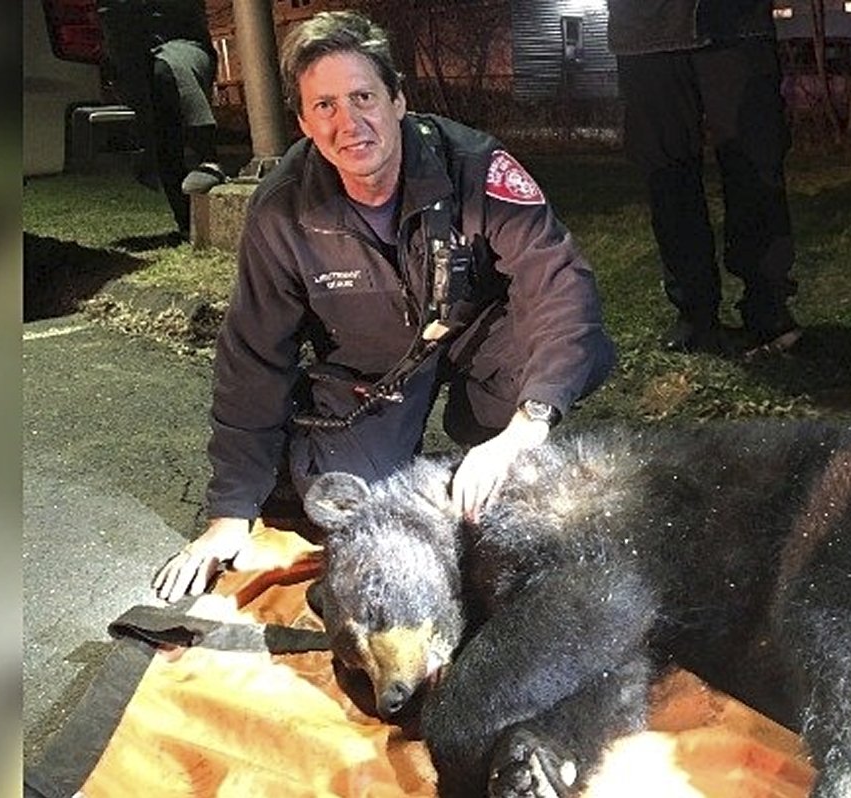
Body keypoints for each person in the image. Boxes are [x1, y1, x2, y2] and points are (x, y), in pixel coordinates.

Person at [154, 11, 616, 601]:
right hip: (372, 373)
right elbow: (252, 357)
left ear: (398, 100)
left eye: (364, 96)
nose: (349, 123)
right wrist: (228, 513)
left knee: (575, 362)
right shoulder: (280, 210)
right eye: (324, 106)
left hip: (478, 337)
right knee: (351, 506)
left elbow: (558, 282)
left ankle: (486, 432)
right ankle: (321, 448)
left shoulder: (475, 165)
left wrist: (527, 426)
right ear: (302, 122)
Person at [607, 0, 800, 357]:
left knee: (756, 167)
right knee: (667, 175)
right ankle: (694, 312)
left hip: (737, 24)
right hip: (644, 34)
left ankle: (767, 304)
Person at [98, 0, 225, 238]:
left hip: (183, 47)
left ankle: (208, 158)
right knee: (160, 130)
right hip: (135, 59)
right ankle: (186, 221)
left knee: (167, 71)